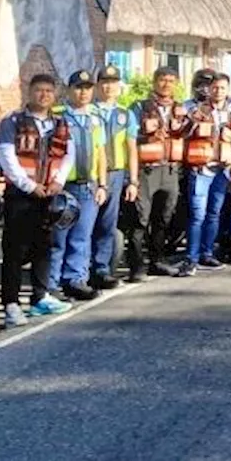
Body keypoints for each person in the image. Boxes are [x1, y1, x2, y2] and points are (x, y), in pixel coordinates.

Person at [0, 74, 75, 327]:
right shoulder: (13, 121)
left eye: (49, 91)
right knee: (15, 250)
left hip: (49, 195)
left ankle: (40, 297)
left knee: (44, 246)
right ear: (30, 92)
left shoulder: (60, 123)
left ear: (55, 95)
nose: (44, 95)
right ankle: (11, 305)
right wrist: (29, 186)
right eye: (39, 90)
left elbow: (68, 155)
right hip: (20, 195)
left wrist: (58, 182)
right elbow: (7, 157)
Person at [48, 70, 107, 302]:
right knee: (57, 238)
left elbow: (101, 153)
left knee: (82, 237)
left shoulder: (96, 118)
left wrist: (102, 184)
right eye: (79, 88)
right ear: (69, 90)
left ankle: (75, 280)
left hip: (88, 186)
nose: (83, 93)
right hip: (64, 187)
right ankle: (51, 283)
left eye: (87, 88)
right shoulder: (58, 116)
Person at [123, 66, 187, 280]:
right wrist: (148, 136)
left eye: (171, 80)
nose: (166, 84)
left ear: (176, 83)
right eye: (162, 79)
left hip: (170, 170)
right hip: (146, 170)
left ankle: (158, 261)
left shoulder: (181, 109)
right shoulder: (139, 107)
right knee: (140, 220)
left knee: (163, 218)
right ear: (154, 82)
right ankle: (136, 266)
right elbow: (128, 138)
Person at [177, 71, 231, 276]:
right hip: (201, 169)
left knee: (214, 213)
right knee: (198, 215)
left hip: (222, 170)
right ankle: (191, 258)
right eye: (215, 88)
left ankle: (207, 253)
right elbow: (183, 134)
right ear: (208, 90)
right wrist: (192, 122)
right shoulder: (197, 111)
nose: (218, 91)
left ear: (228, 90)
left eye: (222, 88)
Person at [90, 64, 133, 291]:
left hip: (115, 174)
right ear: (98, 86)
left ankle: (101, 269)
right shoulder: (88, 111)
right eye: (105, 82)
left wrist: (132, 180)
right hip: (91, 174)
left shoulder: (125, 114)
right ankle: (79, 270)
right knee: (85, 224)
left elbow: (131, 148)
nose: (109, 87)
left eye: (113, 83)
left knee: (108, 224)